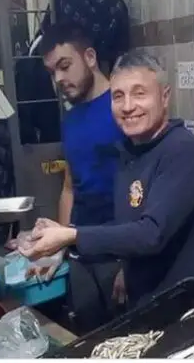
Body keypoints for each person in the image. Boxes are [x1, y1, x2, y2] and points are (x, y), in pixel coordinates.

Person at [20, 51, 194, 309]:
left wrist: (70, 235)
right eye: (118, 96)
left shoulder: (184, 151)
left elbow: (151, 234)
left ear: (164, 96)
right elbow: (129, 226)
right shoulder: (128, 153)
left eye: (140, 93)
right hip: (148, 304)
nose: (128, 106)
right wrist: (125, 269)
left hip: (191, 306)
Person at [30, 24, 126, 334]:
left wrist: (133, 263)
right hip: (81, 255)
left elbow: (146, 191)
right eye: (52, 71)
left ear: (90, 57)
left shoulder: (123, 108)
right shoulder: (70, 119)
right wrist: (58, 246)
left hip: (119, 254)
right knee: (88, 339)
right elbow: (70, 188)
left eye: (65, 66)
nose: (58, 79)